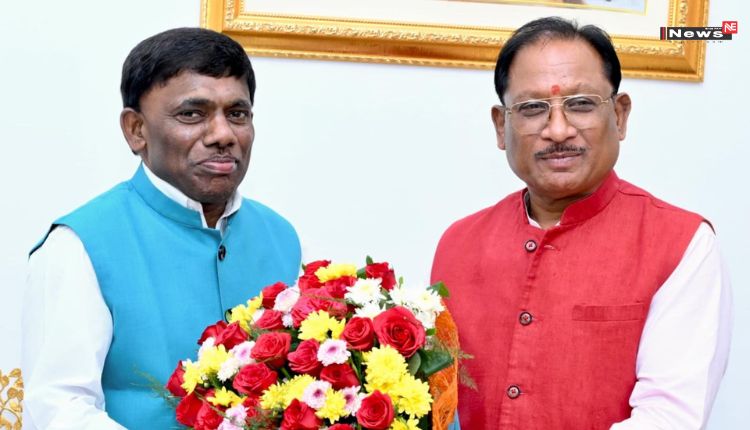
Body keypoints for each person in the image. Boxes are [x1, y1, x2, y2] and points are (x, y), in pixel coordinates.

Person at [431, 17, 731, 429]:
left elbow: (670, 418)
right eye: (532, 108)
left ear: (620, 116)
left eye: (581, 104)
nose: (558, 130)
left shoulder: (681, 245)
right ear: (501, 126)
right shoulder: (459, 244)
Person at [21, 28, 301, 429]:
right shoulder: (80, 244)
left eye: (237, 114)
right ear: (136, 130)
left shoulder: (280, 237)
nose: (223, 134)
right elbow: (58, 408)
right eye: (192, 114)